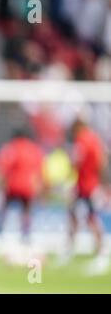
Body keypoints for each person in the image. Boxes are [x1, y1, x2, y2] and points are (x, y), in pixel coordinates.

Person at [61, 117, 109, 273]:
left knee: (91, 217)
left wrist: (69, 174)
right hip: (86, 185)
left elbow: (76, 161)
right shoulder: (94, 138)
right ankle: (69, 249)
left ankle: (101, 252)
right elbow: (101, 161)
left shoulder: (83, 139)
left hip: (87, 186)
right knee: (74, 214)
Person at [0, 129, 45, 247]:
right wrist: (40, 188)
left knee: (4, 209)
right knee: (26, 212)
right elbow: (40, 171)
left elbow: (1, 167)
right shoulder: (34, 149)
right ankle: (25, 237)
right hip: (28, 187)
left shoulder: (11, 148)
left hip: (13, 186)